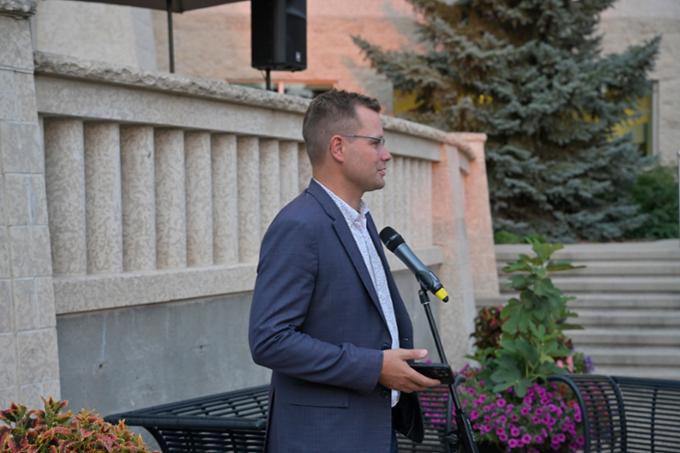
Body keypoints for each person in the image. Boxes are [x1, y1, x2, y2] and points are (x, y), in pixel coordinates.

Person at [249, 90, 440, 453]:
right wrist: (374, 367)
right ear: (338, 147)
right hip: (324, 438)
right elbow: (269, 339)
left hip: (373, 428)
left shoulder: (361, 221)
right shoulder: (300, 226)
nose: (387, 154)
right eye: (376, 142)